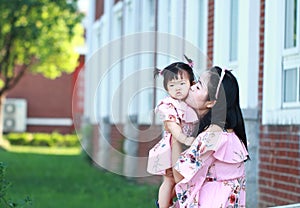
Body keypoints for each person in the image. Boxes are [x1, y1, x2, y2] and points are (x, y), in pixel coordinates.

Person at [172, 66, 249, 207]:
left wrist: (175, 136)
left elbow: (179, 175)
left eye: (199, 86)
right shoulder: (230, 134)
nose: (192, 87)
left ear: (211, 102)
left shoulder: (212, 136)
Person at [147, 60, 199, 208]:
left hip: (187, 148)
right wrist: (184, 138)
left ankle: (170, 203)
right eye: (172, 85)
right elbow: (173, 126)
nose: (177, 88)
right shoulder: (169, 104)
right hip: (172, 148)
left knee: (183, 180)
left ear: (192, 83)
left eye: (182, 83)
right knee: (169, 179)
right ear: (166, 88)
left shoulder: (193, 103)